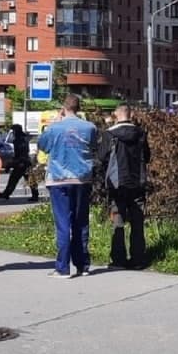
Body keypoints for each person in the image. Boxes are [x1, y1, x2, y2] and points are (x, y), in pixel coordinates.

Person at [37, 95, 98, 278]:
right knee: (81, 222)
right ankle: (82, 265)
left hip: (59, 178)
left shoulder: (54, 128)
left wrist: (54, 124)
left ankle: (63, 268)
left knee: (63, 224)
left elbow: (43, 146)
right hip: (82, 178)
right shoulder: (90, 128)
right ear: (78, 108)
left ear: (63, 109)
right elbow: (94, 146)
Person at [98, 105, 151, 269]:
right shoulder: (141, 133)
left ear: (115, 115)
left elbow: (101, 157)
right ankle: (138, 259)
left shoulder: (109, 134)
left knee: (118, 221)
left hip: (117, 183)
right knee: (137, 222)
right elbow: (147, 157)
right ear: (132, 114)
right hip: (138, 182)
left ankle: (118, 259)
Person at [0, 124, 37, 201]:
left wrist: (11, 164)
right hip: (25, 161)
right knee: (28, 179)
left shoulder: (18, 140)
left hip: (21, 162)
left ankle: (6, 194)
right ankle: (35, 194)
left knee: (14, 179)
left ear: (16, 131)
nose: (13, 133)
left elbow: (18, 153)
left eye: (13, 131)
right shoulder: (24, 138)